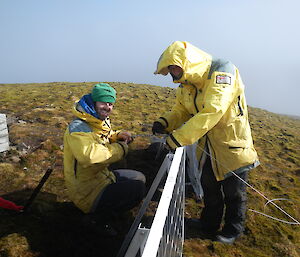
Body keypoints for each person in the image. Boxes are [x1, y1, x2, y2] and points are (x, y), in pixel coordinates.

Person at [152, 41, 259, 244]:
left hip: (231, 145)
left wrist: (177, 138)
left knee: (234, 192)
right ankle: (208, 225)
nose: (173, 74)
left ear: (186, 62)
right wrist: (165, 122)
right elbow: (182, 110)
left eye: (174, 67)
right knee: (209, 187)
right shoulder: (187, 84)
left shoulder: (222, 72)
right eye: (169, 70)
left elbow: (214, 110)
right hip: (206, 146)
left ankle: (233, 229)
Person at [64, 83, 146, 235]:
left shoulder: (98, 119)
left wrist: (117, 135)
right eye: (103, 102)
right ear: (94, 102)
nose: (108, 107)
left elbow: (104, 136)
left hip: (101, 177)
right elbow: (89, 156)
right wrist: (120, 148)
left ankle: (109, 207)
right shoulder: (78, 128)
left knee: (139, 177)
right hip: (86, 192)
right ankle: (97, 220)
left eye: (111, 104)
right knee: (137, 189)